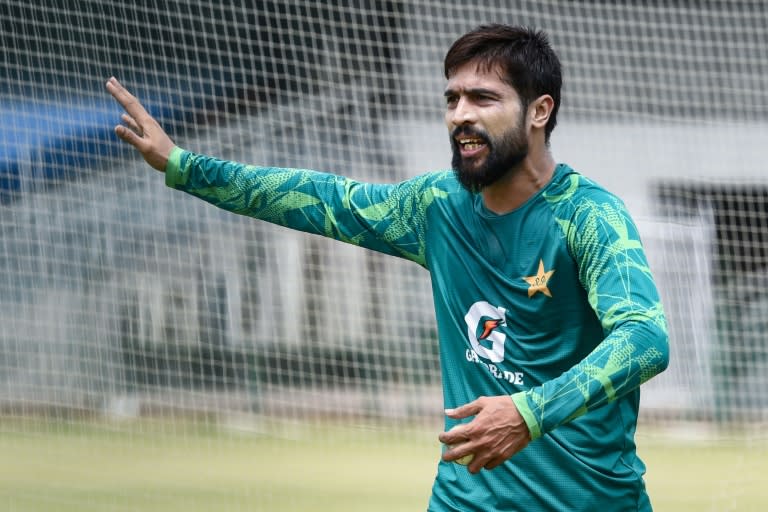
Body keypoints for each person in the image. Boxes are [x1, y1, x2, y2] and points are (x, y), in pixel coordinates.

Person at [107, 23, 669, 512]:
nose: (460, 116)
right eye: (451, 99)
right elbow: (326, 198)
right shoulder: (436, 206)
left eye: (483, 98)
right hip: (464, 500)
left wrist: (528, 412)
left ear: (539, 110)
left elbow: (645, 337)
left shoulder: (589, 216)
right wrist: (184, 165)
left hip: (589, 501)